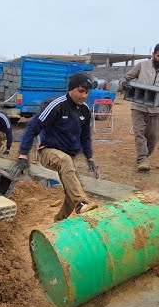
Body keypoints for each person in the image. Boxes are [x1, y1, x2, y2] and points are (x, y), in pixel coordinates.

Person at [10, 71, 101, 222]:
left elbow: (85, 136)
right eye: (81, 91)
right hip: (48, 152)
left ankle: (59, 220)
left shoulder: (85, 110)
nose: (84, 96)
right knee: (67, 166)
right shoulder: (57, 106)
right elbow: (33, 127)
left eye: (87, 92)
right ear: (71, 89)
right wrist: (23, 155)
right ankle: (82, 204)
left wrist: (89, 157)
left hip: (68, 158)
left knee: (74, 189)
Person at [120, 42, 159, 172]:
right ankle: (142, 158)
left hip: (156, 108)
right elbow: (125, 78)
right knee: (139, 133)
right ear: (153, 54)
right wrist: (124, 84)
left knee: (153, 136)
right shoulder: (142, 65)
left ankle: (145, 155)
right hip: (138, 106)